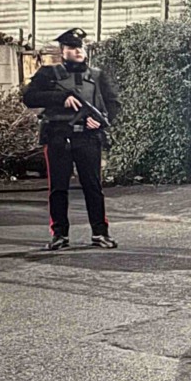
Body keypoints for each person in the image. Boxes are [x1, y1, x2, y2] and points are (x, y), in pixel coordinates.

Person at [23, 28, 121, 251]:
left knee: (93, 187)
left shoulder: (97, 75)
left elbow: (113, 103)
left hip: (88, 137)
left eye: (80, 47)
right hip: (59, 136)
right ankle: (59, 234)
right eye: (71, 48)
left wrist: (101, 121)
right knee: (58, 188)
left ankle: (100, 233)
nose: (77, 51)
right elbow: (29, 98)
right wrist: (61, 97)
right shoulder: (48, 74)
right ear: (62, 51)